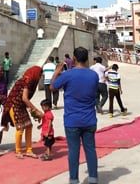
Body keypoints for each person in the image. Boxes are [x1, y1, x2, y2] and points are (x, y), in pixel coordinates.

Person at [51, 47, 99, 184]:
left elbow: (52, 87)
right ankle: (93, 178)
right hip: (89, 119)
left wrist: (56, 72)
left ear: (74, 59)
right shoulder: (93, 75)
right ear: (87, 59)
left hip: (72, 120)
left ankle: (73, 179)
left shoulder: (68, 75)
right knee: (90, 149)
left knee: (73, 151)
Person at [0, 65, 43, 159]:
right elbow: (25, 98)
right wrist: (37, 110)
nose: (39, 78)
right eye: (40, 75)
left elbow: (24, 100)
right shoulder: (27, 81)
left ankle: (29, 150)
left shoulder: (28, 81)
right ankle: (18, 150)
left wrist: (33, 112)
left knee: (29, 125)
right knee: (20, 128)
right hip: (14, 105)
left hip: (21, 106)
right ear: (35, 74)